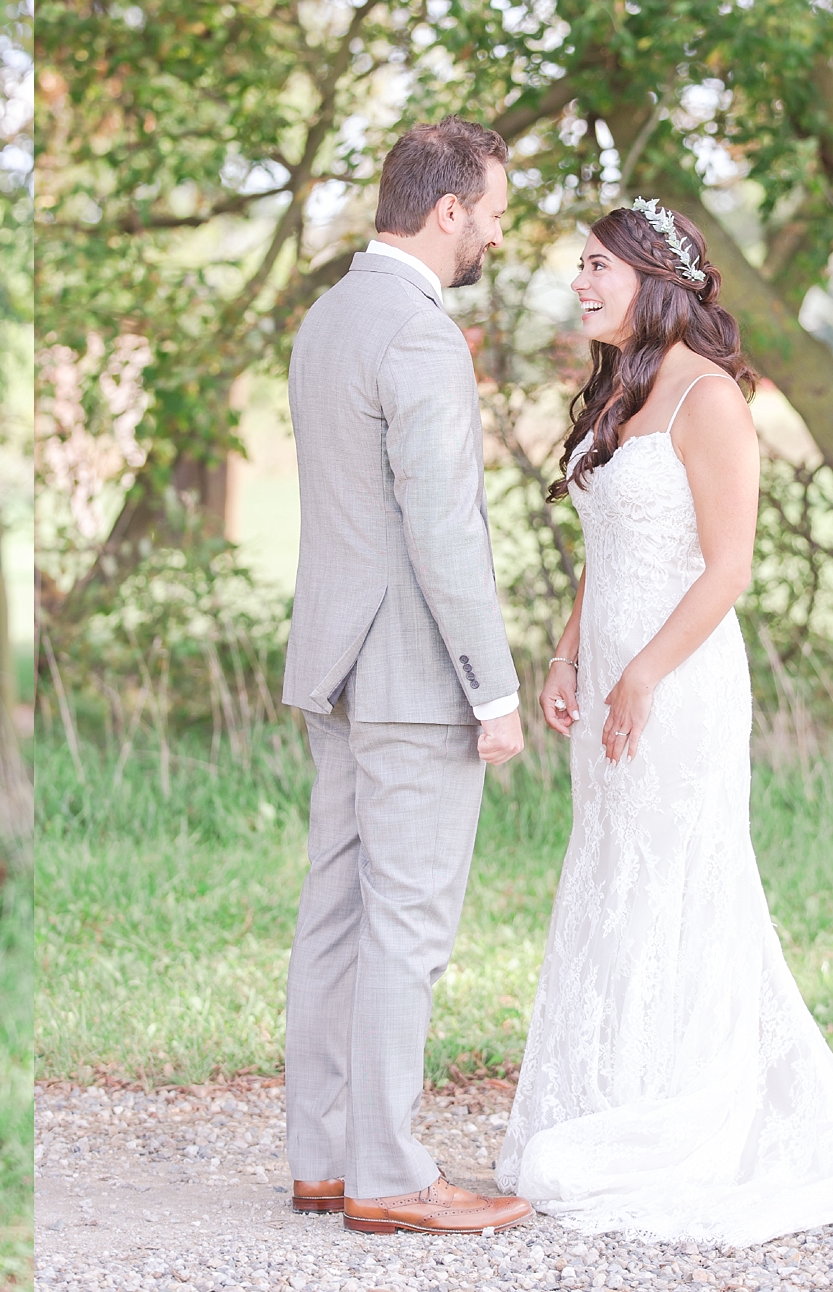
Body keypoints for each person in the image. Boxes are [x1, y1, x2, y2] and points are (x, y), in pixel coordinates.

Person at [497, 198, 833, 1244]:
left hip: (682, 680)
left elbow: (727, 567)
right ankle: (604, 1089)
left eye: (595, 268)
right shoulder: (620, 387)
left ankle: (680, 1109)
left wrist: (644, 675)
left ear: (651, 281)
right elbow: (604, 550)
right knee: (611, 869)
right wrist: (571, 652)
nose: (577, 283)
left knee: (676, 874)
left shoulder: (708, 398)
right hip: (614, 668)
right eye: (576, 266)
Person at [279, 116, 535, 1237]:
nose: (495, 235)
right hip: (410, 675)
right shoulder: (420, 339)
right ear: (446, 212)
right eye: (491, 214)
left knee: (333, 914)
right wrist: (493, 686)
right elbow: (442, 531)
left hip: (332, 664)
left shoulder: (327, 318)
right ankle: (387, 1172)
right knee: (407, 926)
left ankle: (322, 1158)